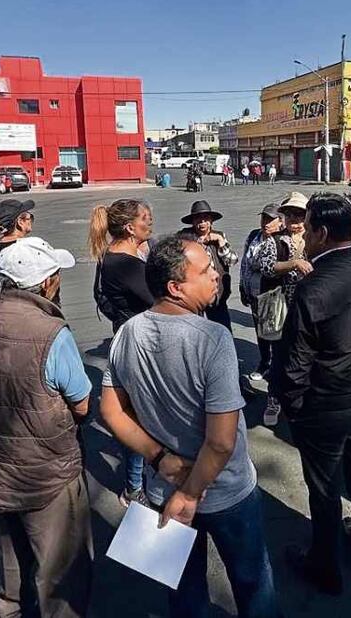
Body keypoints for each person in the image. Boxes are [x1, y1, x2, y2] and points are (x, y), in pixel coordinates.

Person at [101, 236, 280, 618]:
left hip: (162, 488)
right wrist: (191, 494)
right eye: (205, 271)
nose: (216, 275)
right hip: (225, 492)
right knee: (252, 582)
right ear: (175, 288)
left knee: (182, 591)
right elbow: (220, 442)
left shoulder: (126, 333)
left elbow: (112, 412)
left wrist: (159, 457)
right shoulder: (213, 338)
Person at [0, 238, 93, 618]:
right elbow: (81, 403)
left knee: (11, 554)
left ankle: (7, 610)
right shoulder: (51, 333)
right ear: (47, 282)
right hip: (44, 473)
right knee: (61, 567)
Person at [269, 194, 351, 595]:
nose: (303, 236)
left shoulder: (314, 288)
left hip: (325, 406)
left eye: (306, 230)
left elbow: (293, 366)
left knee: (324, 490)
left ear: (321, 233)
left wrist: (294, 409)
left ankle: (324, 566)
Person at [89, 199, 154, 507]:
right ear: (130, 228)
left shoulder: (115, 256)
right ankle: (134, 486)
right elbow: (161, 301)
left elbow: (101, 296)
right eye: (145, 219)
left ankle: (138, 479)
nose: (149, 224)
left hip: (129, 337)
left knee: (140, 414)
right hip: (139, 346)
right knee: (138, 418)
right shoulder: (127, 264)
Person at [257, 192, 313, 426]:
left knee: (305, 356)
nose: (295, 219)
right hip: (281, 307)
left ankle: (301, 401)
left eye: (299, 214)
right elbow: (266, 267)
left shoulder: (315, 237)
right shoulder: (275, 239)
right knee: (279, 355)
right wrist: (293, 263)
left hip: (309, 306)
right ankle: (274, 399)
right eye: (289, 214)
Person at [240, 204, 284, 382]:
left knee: (274, 333)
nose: (266, 223)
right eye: (264, 218)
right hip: (254, 293)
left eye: (270, 219)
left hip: (272, 294)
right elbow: (244, 263)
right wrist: (243, 286)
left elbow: (270, 267)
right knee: (261, 332)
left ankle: (276, 366)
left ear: (280, 222)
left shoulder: (280, 240)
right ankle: (265, 361)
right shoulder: (253, 236)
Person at [177, 201, 238, 330]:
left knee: (223, 331)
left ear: (211, 221)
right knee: (196, 334)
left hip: (217, 295)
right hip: (194, 296)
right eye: (198, 219)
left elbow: (232, 260)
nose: (202, 223)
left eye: (206, 219)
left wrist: (221, 242)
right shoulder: (184, 238)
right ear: (193, 222)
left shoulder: (219, 236)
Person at [0, 198, 35, 289]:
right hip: (32, 299)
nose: (31, 220)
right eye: (30, 217)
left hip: (8, 298)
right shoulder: (32, 246)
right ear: (20, 222)